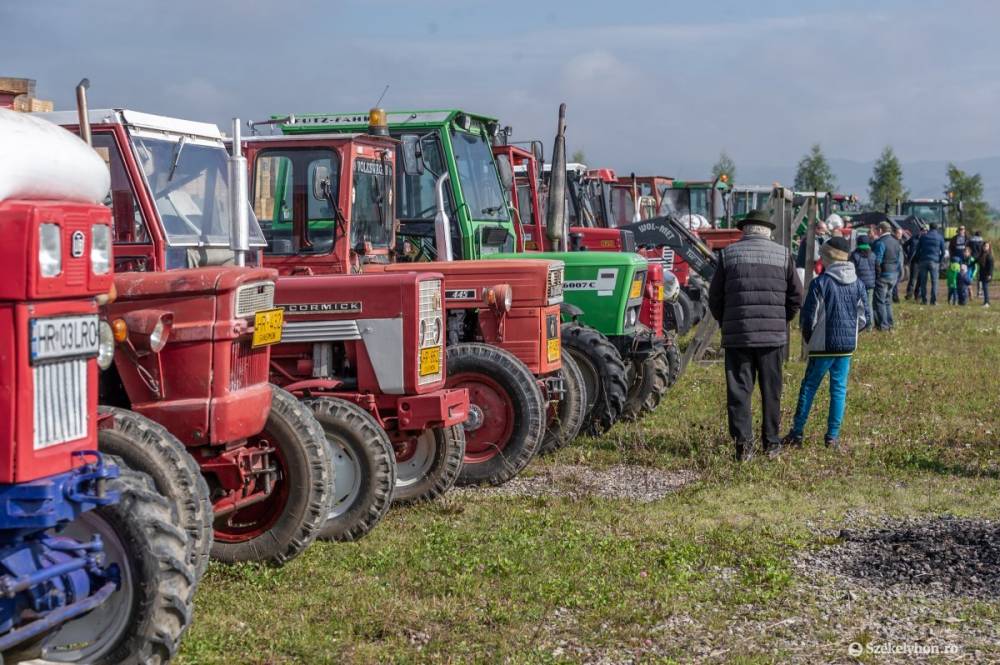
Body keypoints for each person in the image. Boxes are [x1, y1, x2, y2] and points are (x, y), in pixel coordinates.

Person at [708, 209, 802, 461]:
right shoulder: (783, 255)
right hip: (772, 338)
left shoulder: (728, 255)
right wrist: (781, 321)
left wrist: (726, 321)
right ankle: (771, 444)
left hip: (739, 336)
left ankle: (743, 447)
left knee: (739, 391)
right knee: (771, 392)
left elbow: (715, 298)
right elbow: (796, 297)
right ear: (768, 230)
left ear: (745, 229)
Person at [783, 237, 870, 452]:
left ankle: (797, 432)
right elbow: (865, 318)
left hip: (822, 345)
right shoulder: (858, 284)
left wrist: (809, 339)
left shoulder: (820, 283)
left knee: (809, 387)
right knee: (839, 390)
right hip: (846, 346)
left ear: (829, 257)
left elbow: (808, 318)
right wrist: (851, 333)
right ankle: (832, 437)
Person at [871, 221, 901, 329]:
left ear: (880, 230)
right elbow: (898, 259)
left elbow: (877, 260)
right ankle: (890, 323)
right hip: (894, 274)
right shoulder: (896, 241)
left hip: (883, 274)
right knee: (888, 301)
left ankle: (882, 325)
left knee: (879, 301)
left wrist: (877, 275)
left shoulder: (880, 243)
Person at [915, 223, 946, 305]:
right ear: (937, 228)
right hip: (934, 261)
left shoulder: (923, 237)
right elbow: (943, 251)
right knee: (934, 282)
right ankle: (933, 301)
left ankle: (924, 300)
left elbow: (918, 250)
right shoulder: (940, 237)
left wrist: (918, 259)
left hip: (923, 260)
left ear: (929, 228)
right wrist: (940, 260)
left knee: (923, 282)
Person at [849, 234, 876, 314]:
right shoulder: (873, 255)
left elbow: (851, 269)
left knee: (857, 304)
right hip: (870, 284)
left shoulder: (855, 255)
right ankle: (870, 324)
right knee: (869, 304)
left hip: (858, 283)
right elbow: (877, 268)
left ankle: (859, 323)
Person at [904, 227, 924, 300]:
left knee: (920, 279)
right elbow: (905, 245)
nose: (923, 232)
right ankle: (909, 294)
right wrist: (908, 254)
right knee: (913, 279)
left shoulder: (926, 239)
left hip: (923, 261)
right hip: (914, 261)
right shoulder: (914, 238)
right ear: (919, 231)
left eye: (925, 231)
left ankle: (917, 295)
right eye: (922, 230)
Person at [978, 241, 993, 307]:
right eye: (984, 246)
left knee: (985, 288)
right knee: (984, 288)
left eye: (986, 246)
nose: (985, 247)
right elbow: (976, 260)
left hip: (987, 275)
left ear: (989, 247)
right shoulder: (981, 254)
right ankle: (986, 302)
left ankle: (987, 302)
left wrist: (989, 275)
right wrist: (969, 265)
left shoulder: (989, 256)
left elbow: (991, 267)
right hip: (982, 274)